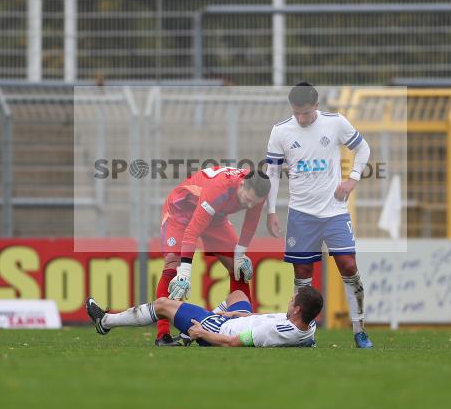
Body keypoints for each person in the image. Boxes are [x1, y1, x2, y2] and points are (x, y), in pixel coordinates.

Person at [264, 82, 375, 348]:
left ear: (316, 106)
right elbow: (272, 173)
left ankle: (359, 329)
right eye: (297, 113)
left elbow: (364, 148)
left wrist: (352, 180)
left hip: (334, 212)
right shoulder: (280, 131)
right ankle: (301, 334)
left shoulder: (335, 123)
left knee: (349, 266)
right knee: (302, 277)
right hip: (301, 215)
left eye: (306, 113)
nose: (301, 119)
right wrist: (270, 211)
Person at [153, 166, 270, 346]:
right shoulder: (220, 188)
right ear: (242, 185)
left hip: (215, 216)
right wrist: (184, 272)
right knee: (173, 267)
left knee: (238, 269)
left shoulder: (259, 190)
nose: (249, 205)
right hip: (181, 210)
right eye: (247, 199)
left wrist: (240, 254)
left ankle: (241, 327)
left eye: (254, 203)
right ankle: (162, 335)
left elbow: (250, 223)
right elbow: (192, 232)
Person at [85, 286, 322, 348]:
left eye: (292, 301)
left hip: (219, 329)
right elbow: (273, 317)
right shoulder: (307, 326)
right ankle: (198, 322)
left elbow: (233, 342)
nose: (289, 302)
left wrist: (200, 333)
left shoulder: (272, 333)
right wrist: (240, 313)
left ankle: (105, 322)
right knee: (237, 294)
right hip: (234, 319)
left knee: (163, 305)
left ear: (298, 309)